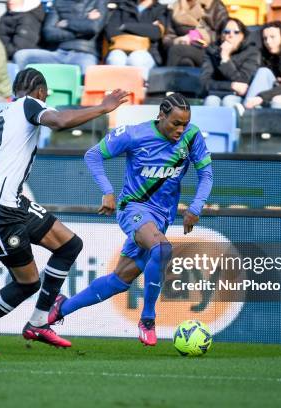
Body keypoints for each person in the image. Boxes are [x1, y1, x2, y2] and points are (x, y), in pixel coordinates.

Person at [0, 68, 129, 354]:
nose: (47, 102)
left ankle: (38, 322)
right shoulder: (29, 104)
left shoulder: (2, 113)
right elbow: (58, 121)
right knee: (28, 282)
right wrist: (103, 107)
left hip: (7, 201)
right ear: (40, 93)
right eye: (46, 97)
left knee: (69, 244)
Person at [47, 93, 214, 347]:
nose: (181, 129)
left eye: (185, 123)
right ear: (161, 116)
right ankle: (148, 318)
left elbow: (206, 174)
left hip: (161, 218)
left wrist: (196, 207)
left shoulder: (192, 136)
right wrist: (107, 191)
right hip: (133, 208)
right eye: (175, 123)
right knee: (162, 247)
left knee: (120, 281)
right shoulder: (134, 134)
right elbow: (93, 155)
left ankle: (60, 308)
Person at [13, 0, 107, 75]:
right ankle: (19, 95)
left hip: (85, 53)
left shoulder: (98, 2)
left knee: (87, 74)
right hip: (59, 53)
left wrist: (66, 23)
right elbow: (48, 33)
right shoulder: (59, 2)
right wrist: (83, 27)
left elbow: (93, 28)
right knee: (21, 56)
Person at [201, 17, 260, 107]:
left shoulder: (251, 52)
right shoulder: (212, 51)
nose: (231, 35)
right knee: (211, 101)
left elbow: (243, 82)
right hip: (215, 93)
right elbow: (204, 82)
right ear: (221, 36)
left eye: (236, 32)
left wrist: (225, 59)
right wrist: (231, 86)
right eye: (226, 32)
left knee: (228, 101)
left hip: (239, 97)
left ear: (242, 36)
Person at [104, 0, 168, 78]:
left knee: (137, 58)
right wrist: (145, 29)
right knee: (116, 57)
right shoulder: (122, 7)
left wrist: (125, 26)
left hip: (149, 52)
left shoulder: (161, 9)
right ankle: (117, 89)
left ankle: (140, 88)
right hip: (120, 48)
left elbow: (156, 33)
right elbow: (111, 32)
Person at [163, 0, 228, 67]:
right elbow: (168, 39)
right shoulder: (175, 8)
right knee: (185, 62)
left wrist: (198, 35)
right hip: (183, 50)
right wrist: (179, 40)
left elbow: (224, 34)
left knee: (176, 51)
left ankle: (168, 76)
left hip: (208, 50)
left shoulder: (213, 5)